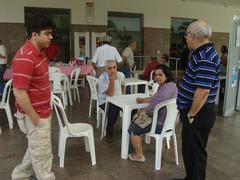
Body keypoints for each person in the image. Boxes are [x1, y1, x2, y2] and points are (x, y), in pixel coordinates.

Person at [11, 14, 55, 180]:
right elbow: (19, 92)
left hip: (42, 112)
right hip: (35, 115)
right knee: (43, 157)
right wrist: (35, 117)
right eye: (47, 33)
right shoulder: (25, 56)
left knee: (36, 149)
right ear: (34, 35)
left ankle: (20, 175)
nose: (51, 37)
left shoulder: (40, 51)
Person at [175, 20, 220, 180]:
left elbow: (202, 91)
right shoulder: (200, 53)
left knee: (195, 153)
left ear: (192, 35)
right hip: (195, 111)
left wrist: (191, 114)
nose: (185, 38)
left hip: (198, 113)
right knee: (190, 150)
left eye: (186, 34)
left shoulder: (205, 57)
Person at [128, 64, 177, 162]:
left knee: (133, 128)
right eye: (155, 75)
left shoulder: (164, 89)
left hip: (159, 123)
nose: (157, 77)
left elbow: (151, 108)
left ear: (166, 75)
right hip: (169, 123)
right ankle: (161, 148)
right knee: (140, 118)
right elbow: (156, 99)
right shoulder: (171, 85)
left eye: (160, 75)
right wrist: (143, 100)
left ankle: (139, 156)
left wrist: (138, 114)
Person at [98, 59, 125, 143]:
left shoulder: (121, 75)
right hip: (105, 102)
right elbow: (110, 94)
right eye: (109, 68)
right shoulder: (102, 78)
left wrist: (122, 96)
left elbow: (123, 85)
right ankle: (109, 133)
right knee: (114, 109)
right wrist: (112, 80)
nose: (112, 70)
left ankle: (129, 129)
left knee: (133, 110)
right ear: (105, 69)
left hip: (118, 100)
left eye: (114, 67)